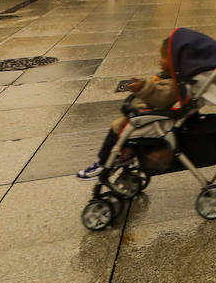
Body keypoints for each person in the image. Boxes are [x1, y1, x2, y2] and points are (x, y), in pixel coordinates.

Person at [76, 37, 180, 179]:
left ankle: (104, 163)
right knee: (125, 128)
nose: (159, 60)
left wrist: (143, 87)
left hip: (154, 117)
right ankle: (126, 155)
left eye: (163, 57)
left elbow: (161, 97)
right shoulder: (167, 77)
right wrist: (142, 84)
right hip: (147, 113)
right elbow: (156, 89)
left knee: (118, 126)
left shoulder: (173, 84)